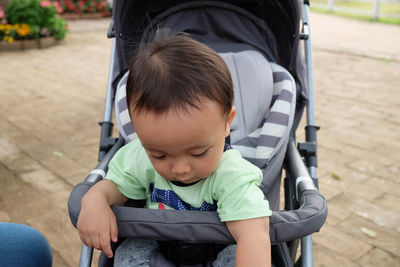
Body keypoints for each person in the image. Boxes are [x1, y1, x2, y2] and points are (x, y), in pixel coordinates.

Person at [77, 30, 272, 266]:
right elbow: (115, 187)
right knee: (128, 251)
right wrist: (95, 199)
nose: (180, 169)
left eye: (199, 152)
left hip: (217, 251)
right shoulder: (139, 156)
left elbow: (253, 233)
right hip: (158, 247)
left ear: (227, 123)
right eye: (159, 154)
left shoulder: (231, 175)